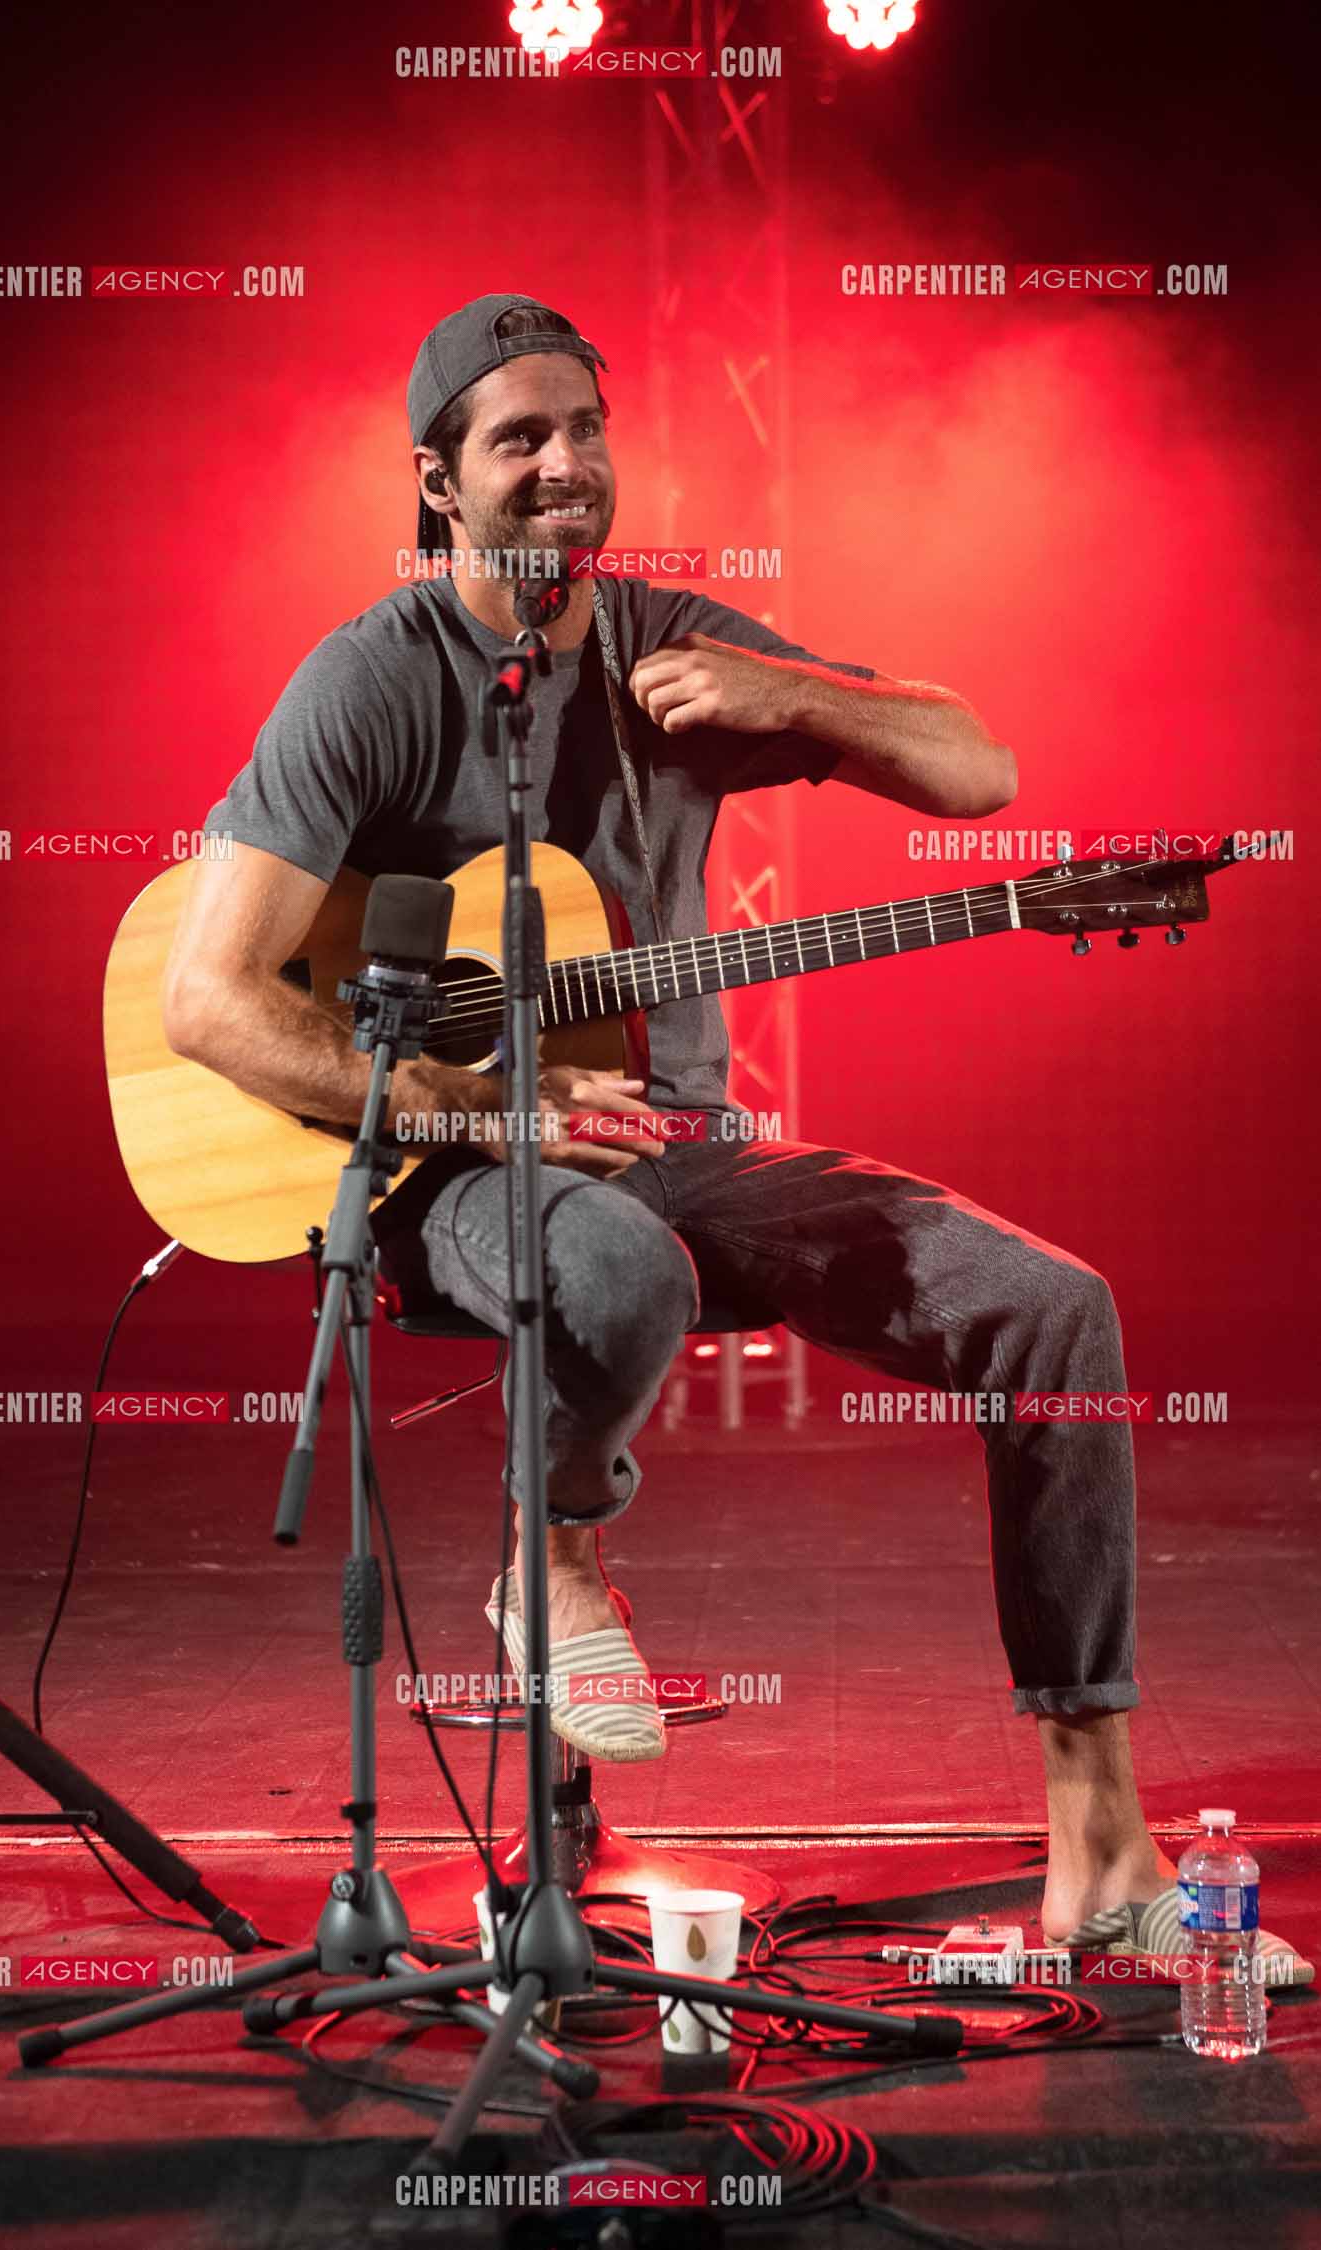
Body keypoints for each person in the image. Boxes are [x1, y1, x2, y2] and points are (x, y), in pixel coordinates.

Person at [162, 294, 1308, 1969]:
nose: (569, 466)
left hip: (673, 1139)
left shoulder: (666, 645)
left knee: (1057, 1311)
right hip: (448, 1168)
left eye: (588, 432)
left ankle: (1103, 1853)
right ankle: (549, 1574)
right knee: (617, 1263)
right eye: (521, 439)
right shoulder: (369, 681)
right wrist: (488, 1097)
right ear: (437, 478)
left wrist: (783, 688)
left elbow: (978, 771)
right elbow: (210, 999)